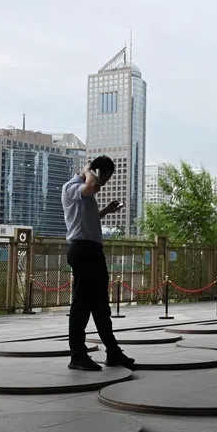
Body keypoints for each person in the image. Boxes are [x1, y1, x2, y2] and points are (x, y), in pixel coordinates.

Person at [61, 156, 134, 371]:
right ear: (98, 172)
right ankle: (77, 355)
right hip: (82, 250)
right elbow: (92, 186)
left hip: (92, 250)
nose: (105, 184)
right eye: (106, 178)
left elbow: (84, 219)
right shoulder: (71, 187)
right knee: (81, 306)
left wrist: (105, 212)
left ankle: (113, 353)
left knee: (101, 307)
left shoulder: (84, 191)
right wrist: (89, 170)